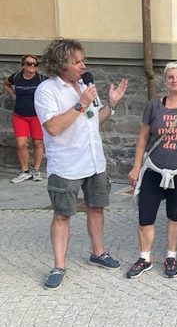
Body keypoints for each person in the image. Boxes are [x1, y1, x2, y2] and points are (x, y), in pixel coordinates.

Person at [34, 38, 128, 290]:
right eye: (77, 62)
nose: (83, 65)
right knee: (63, 214)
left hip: (94, 162)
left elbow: (93, 121)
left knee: (96, 208)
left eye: (82, 60)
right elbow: (53, 127)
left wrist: (112, 104)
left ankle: (98, 252)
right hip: (66, 165)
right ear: (60, 64)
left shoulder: (86, 85)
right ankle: (59, 265)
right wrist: (81, 103)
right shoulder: (47, 91)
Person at [126, 62, 177, 279]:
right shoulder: (154, 106)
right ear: (166, 80)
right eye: (171, 77)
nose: (175, 80)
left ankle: (171, 256)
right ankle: (145, 257)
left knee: (175, 216)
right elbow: (143, 138)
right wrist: (136, 166)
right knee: (145, 216)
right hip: (153, 169)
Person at [3, 54, 47, 183]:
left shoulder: (41, 79)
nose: (32, 66)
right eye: (29, 63)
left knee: (38, 143)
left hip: (36, 117)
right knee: (21, 144)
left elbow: (53, 87)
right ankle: (25, 171)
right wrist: (13, 95)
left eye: (35, 64)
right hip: (20, 116)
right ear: (23, 65)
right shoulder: (16, 77)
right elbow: (6, 84)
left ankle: (36, 170)